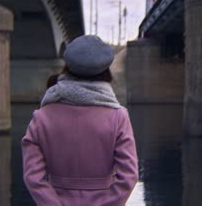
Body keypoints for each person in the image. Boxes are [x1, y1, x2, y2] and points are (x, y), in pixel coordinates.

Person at [22, 35, 138, 206]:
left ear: (67, 68)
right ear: (106, 72)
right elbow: (129, 176)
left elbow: (33, 177)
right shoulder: (119, 117)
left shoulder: (42, 117)